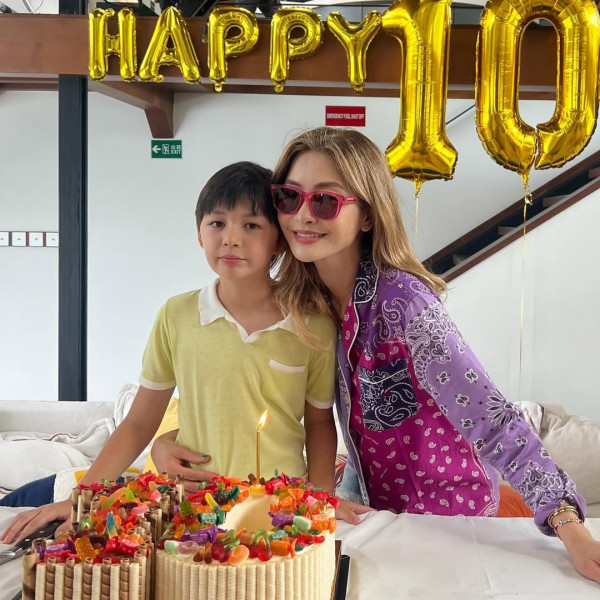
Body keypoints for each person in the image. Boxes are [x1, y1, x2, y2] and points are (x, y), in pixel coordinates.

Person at [152, 127, 600, 583]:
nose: (303, 215)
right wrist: (167, 441)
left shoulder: (406, 306)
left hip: (447, 518)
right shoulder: (306, 304)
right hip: (371, 504)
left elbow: (494, 420)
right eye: (289, 197)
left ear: (367, 215)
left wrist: (572, 529)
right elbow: (249, 394)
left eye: (325, 201)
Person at [1, 161, 363, 545]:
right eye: (217, 223)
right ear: (199, 234)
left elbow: (319, 423)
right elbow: (139, 422)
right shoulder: (176, 316)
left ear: (278, 239)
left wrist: (320, 500)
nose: (231, 238)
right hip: (194, 512)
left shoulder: (313, 327)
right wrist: (80, 499)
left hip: (281, 512)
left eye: (251, 225)